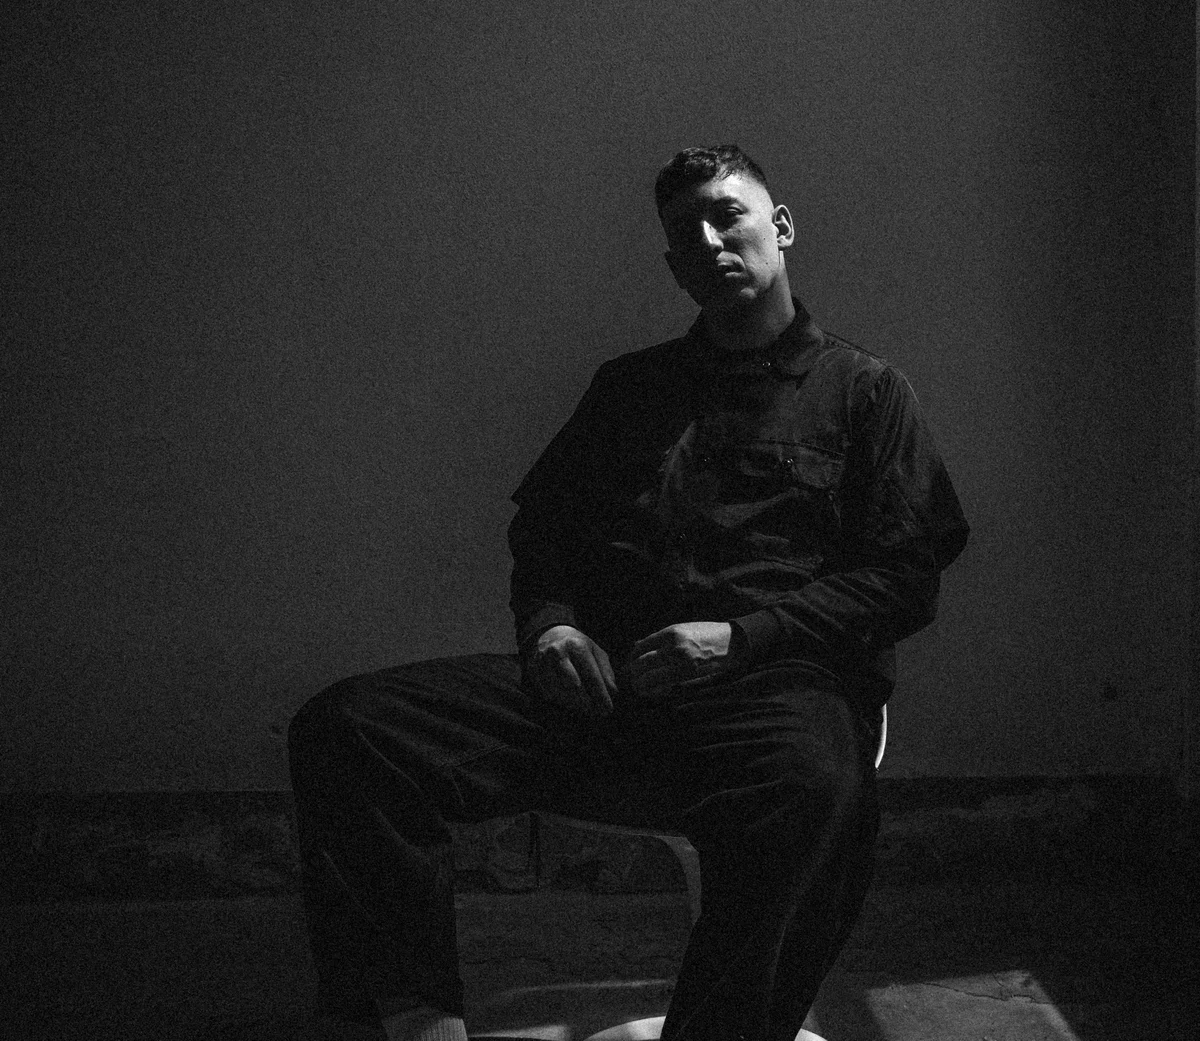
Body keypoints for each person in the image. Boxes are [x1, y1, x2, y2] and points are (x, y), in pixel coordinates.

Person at [288, 144, 970, 1041]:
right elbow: (544, 534)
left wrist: (744, 638)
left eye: (727, 215)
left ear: (781, 227)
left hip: (769, 699)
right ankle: (411, 1019)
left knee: (817, 794)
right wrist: (551, 630)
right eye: (686, 234)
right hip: (608, 695)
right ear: (674, 267)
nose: (709, 240)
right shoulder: (629, 388)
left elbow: (903, 578)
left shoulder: (867, 394)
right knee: (347, 730)